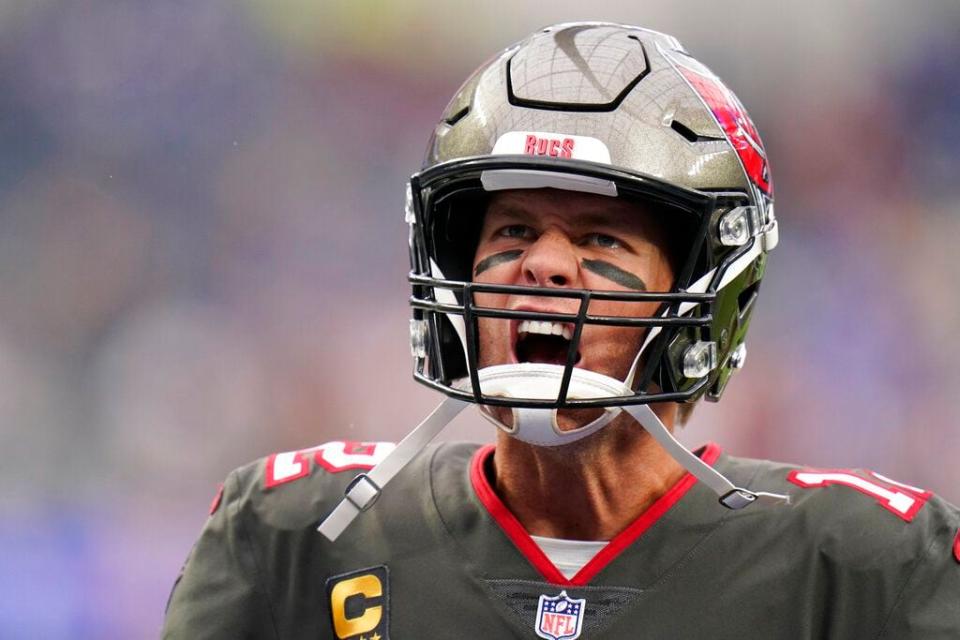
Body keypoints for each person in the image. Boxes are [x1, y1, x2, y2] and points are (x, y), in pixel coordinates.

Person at [162, 22, 960, 639]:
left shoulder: (866, 567)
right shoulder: (294, 537)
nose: (543, 265)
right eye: (510, 232)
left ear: (702, 291)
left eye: (600, 240)